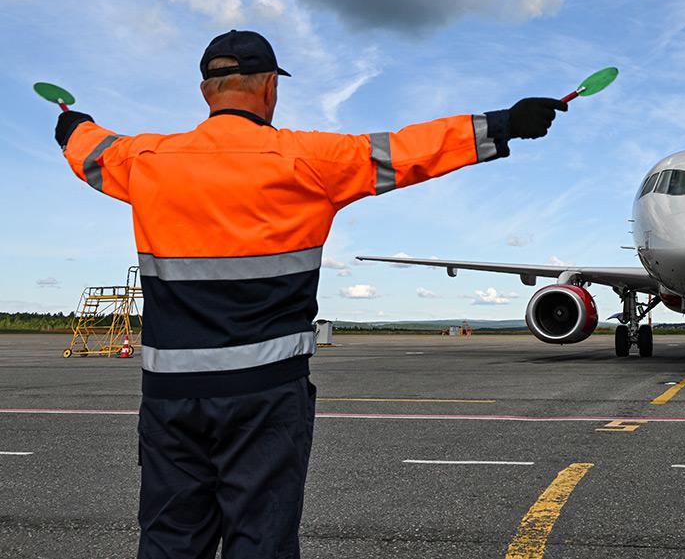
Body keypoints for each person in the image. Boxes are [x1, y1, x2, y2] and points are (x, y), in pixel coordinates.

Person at [54, 30, 566, 558]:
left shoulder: (147, 160)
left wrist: (72, 123)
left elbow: (90, 149)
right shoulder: (309, 160)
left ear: (207, 90)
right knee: (261, 540)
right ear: (270, 86)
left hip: (171, 395)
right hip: (265, 395)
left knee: (169, 539)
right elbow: (409, 151)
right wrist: (504, 124)